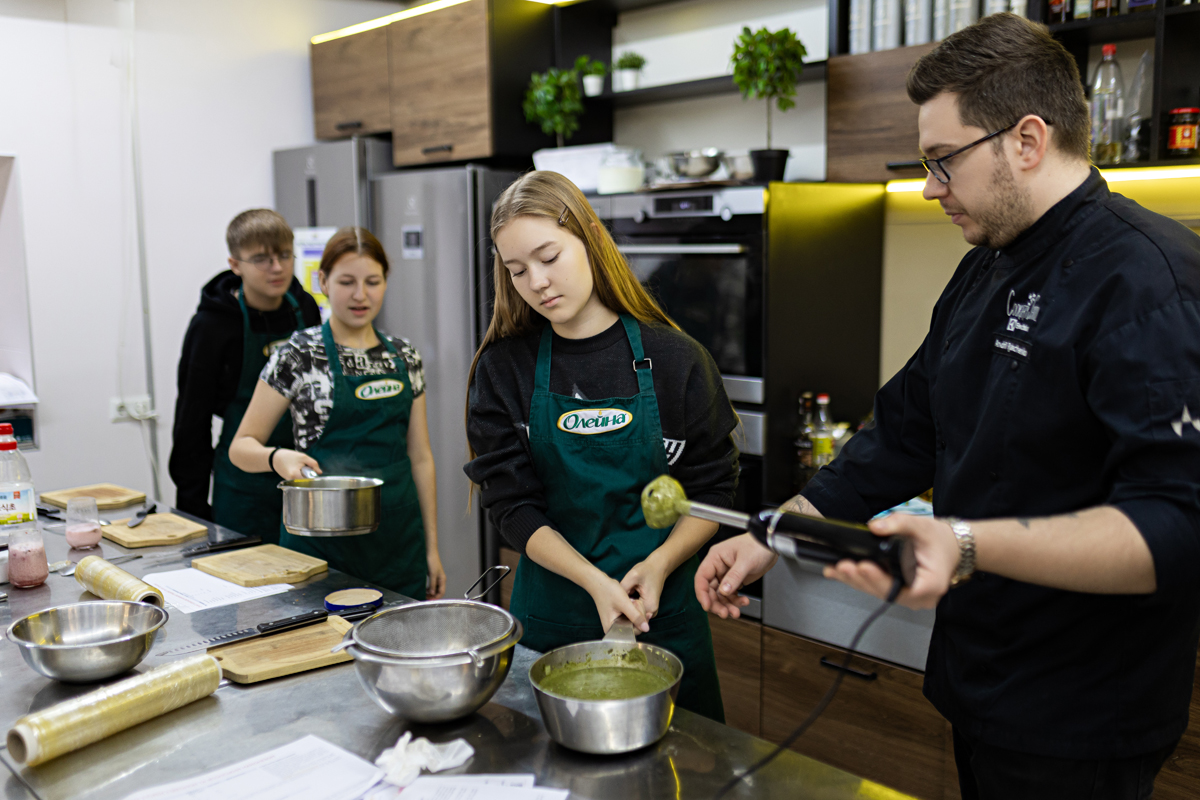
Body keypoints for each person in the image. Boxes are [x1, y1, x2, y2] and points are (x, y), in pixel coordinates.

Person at [696, 14, 1200, 799]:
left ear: (1026, 140)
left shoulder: (1148, 279)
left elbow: (1175, 527)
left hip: (1081, 713)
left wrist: (964, 543)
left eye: (944, 160)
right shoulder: (984, 267)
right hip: (980, 680)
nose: (931, 186)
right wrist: (780, 530)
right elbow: (904, 429)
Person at [463, 171, 739, 723]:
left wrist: (659, 564)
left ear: (590, 237)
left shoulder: (677, 359)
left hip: (663, 617)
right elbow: (512, 506)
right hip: (553, 621)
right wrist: (593, 581)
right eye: (517, 270)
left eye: (549, 257)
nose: (537, 282)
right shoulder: (504, 370)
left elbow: (712, 491)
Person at [228, 226, 445, 599]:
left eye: (372, 282)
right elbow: (241, 447)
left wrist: (432, 549)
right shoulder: (299, 354)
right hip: (319, 549)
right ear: (323, 282)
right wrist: (277, 458)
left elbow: (421, 458)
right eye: (347, 282)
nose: (361, 295)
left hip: (398, 545)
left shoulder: (404, 356)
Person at [170, 209, 322, 543]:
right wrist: (192, 510)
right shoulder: (212, 326)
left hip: (304, 473)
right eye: (261, 259)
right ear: (235, 264)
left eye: (284, 255)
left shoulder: (306, 308)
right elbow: (192, 420)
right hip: (242, 486)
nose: (277, 268)